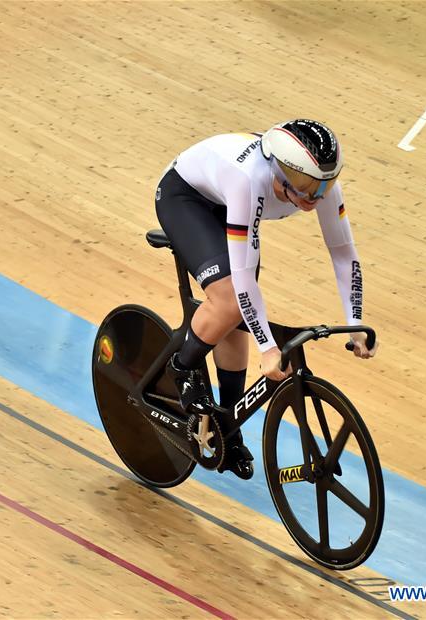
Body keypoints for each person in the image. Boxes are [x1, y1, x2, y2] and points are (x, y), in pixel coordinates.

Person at [154, 119, 379, 478]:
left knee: (237, 318)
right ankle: (180, 368)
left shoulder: (318, 184)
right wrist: (268, 348)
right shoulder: (250, 178)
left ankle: (227, 424)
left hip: (229, 206)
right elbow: (242, 279)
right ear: (282, 171)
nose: (315, 197)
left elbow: (343, 254)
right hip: (188, 199)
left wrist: (354, 321)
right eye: (306, 186)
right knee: (229, 300)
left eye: (326, 184)